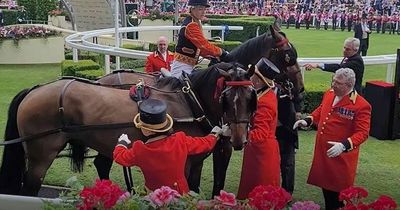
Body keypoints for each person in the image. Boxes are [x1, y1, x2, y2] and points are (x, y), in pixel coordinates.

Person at [293, 68, 371, 210]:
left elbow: (363, 133)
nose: (333, 84)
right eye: (333, 80)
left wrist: (343, 145)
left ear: (349, 85)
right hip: (324, 154)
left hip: (341, 158)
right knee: (327, 192)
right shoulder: (329, 94)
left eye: (338, 83)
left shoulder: (361, 105)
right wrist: (308, 120)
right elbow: (322, 109)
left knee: (338, 198)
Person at [113, 98, 225, 194]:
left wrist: (122, 143)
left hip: (153, 196)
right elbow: (205, 144)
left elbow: (120, 157)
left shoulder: (139, 149)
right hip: (180, 193)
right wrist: (214, 135)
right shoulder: (180, 140)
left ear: (148, 131)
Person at [237, 58, 281, 199]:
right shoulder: (261, 94)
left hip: (262, 154)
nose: (250, 78)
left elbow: (260, 133)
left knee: (260, 196)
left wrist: (240, 134)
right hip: (257, 150)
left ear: (258, 80)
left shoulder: (265, 102)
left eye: (253, 75)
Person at [170, 0, 228, 78]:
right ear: (192, 9)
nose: (203, 12)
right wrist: (222, 52)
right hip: (182, 67)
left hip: (189, 65)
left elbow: (199, 49)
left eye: (205, 9)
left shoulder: (195, 22)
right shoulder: (191, 25)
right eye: (200, 9)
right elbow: (204, 46)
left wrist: (212, 56)